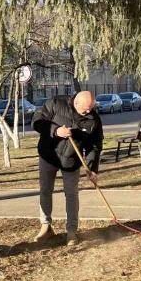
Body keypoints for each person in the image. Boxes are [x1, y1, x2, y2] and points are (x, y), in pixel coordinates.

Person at [32, 90, 103, 245]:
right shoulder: (56, 103)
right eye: (86, 109)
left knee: (71, 194)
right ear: (76, 102)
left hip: (71, 161)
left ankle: (72, 231)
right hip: (48, 156)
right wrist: (56, 131)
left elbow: (95, 146)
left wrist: (92, 169)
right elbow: (37, 121)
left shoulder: (93, 119)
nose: (89, 111)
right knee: (45, 190)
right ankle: (46, 227)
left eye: (91, 108)